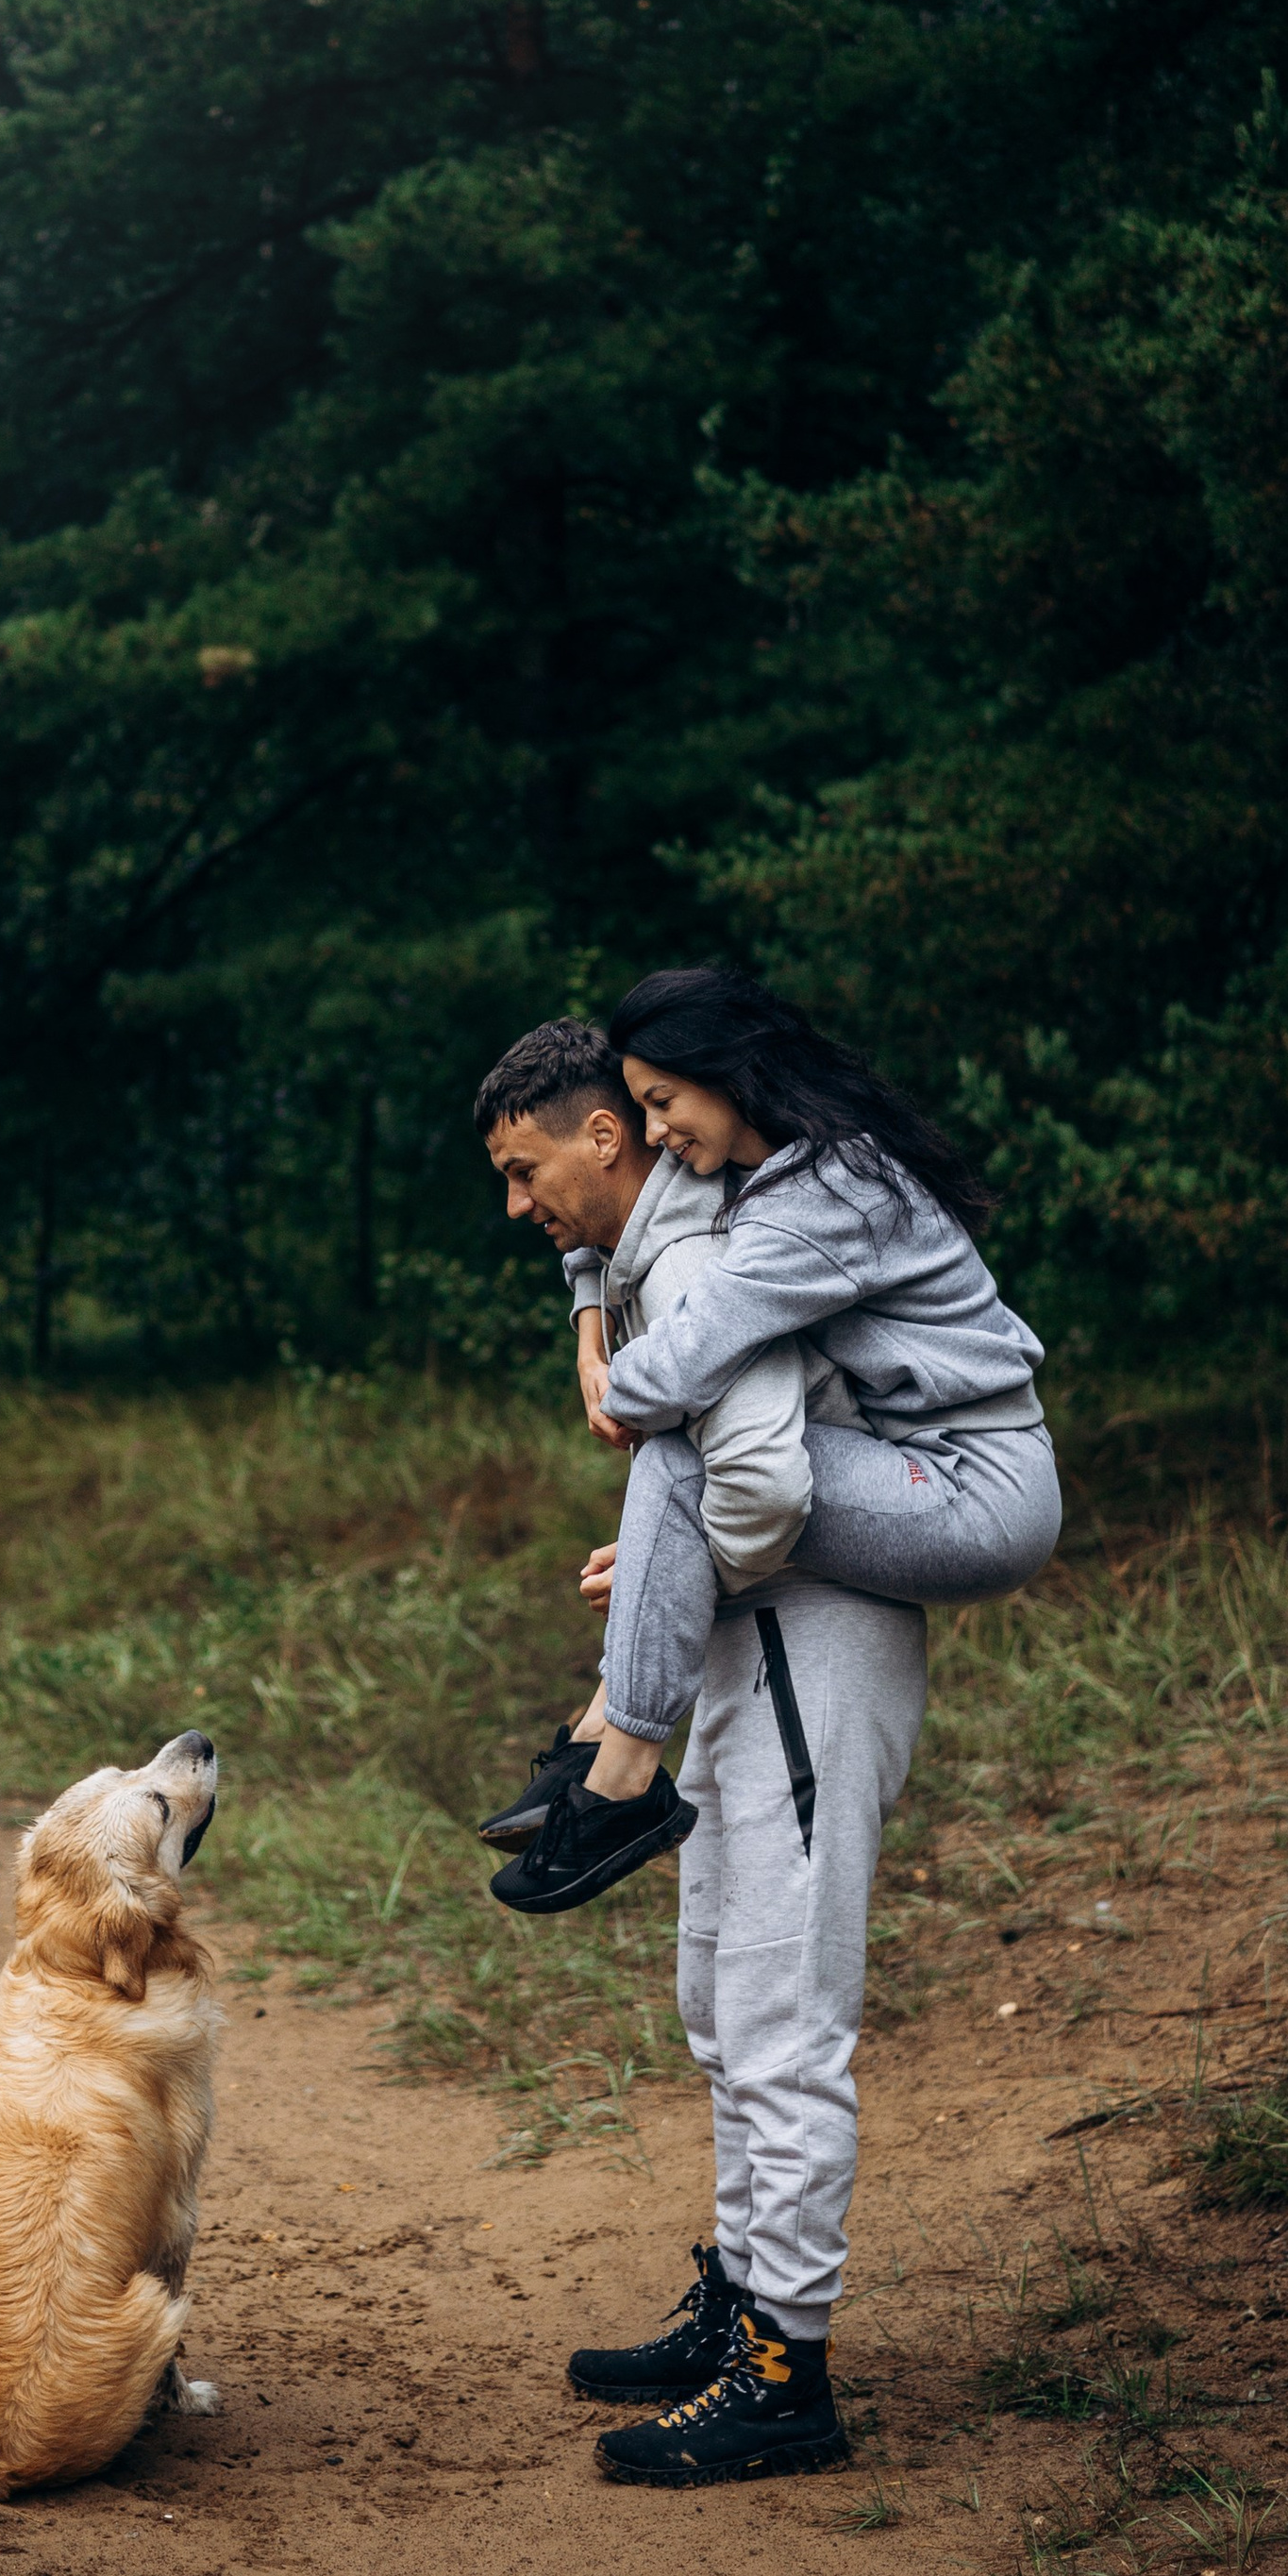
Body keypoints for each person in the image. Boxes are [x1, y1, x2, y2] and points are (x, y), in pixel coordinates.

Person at [475, 968, 1061, 2486]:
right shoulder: (711, 1208)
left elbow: (751, 1473)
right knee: (725, 1998)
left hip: (895, 1561)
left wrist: (632, 1433)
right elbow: (723, 1435)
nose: (665, 1134)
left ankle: (786, 2372)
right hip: (805, 1588)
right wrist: (601, 1333)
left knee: (785, 2007)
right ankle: (742, 2295)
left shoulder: (792, 1208)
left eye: (662, 1110)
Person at [469, 1019, 820, 1909]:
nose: (514, 1205)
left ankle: (611, 1760)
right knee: (717, 1951)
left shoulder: (689, 1269)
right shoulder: (640, 1242)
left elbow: (765, 1486)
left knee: (772, 1958)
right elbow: (594, 1247)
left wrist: (672, 1572)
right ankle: (604, 1740)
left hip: (815, 1613)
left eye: (523, 1172)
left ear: (602, 1136)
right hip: (764, 1603)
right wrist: (589, 1322)